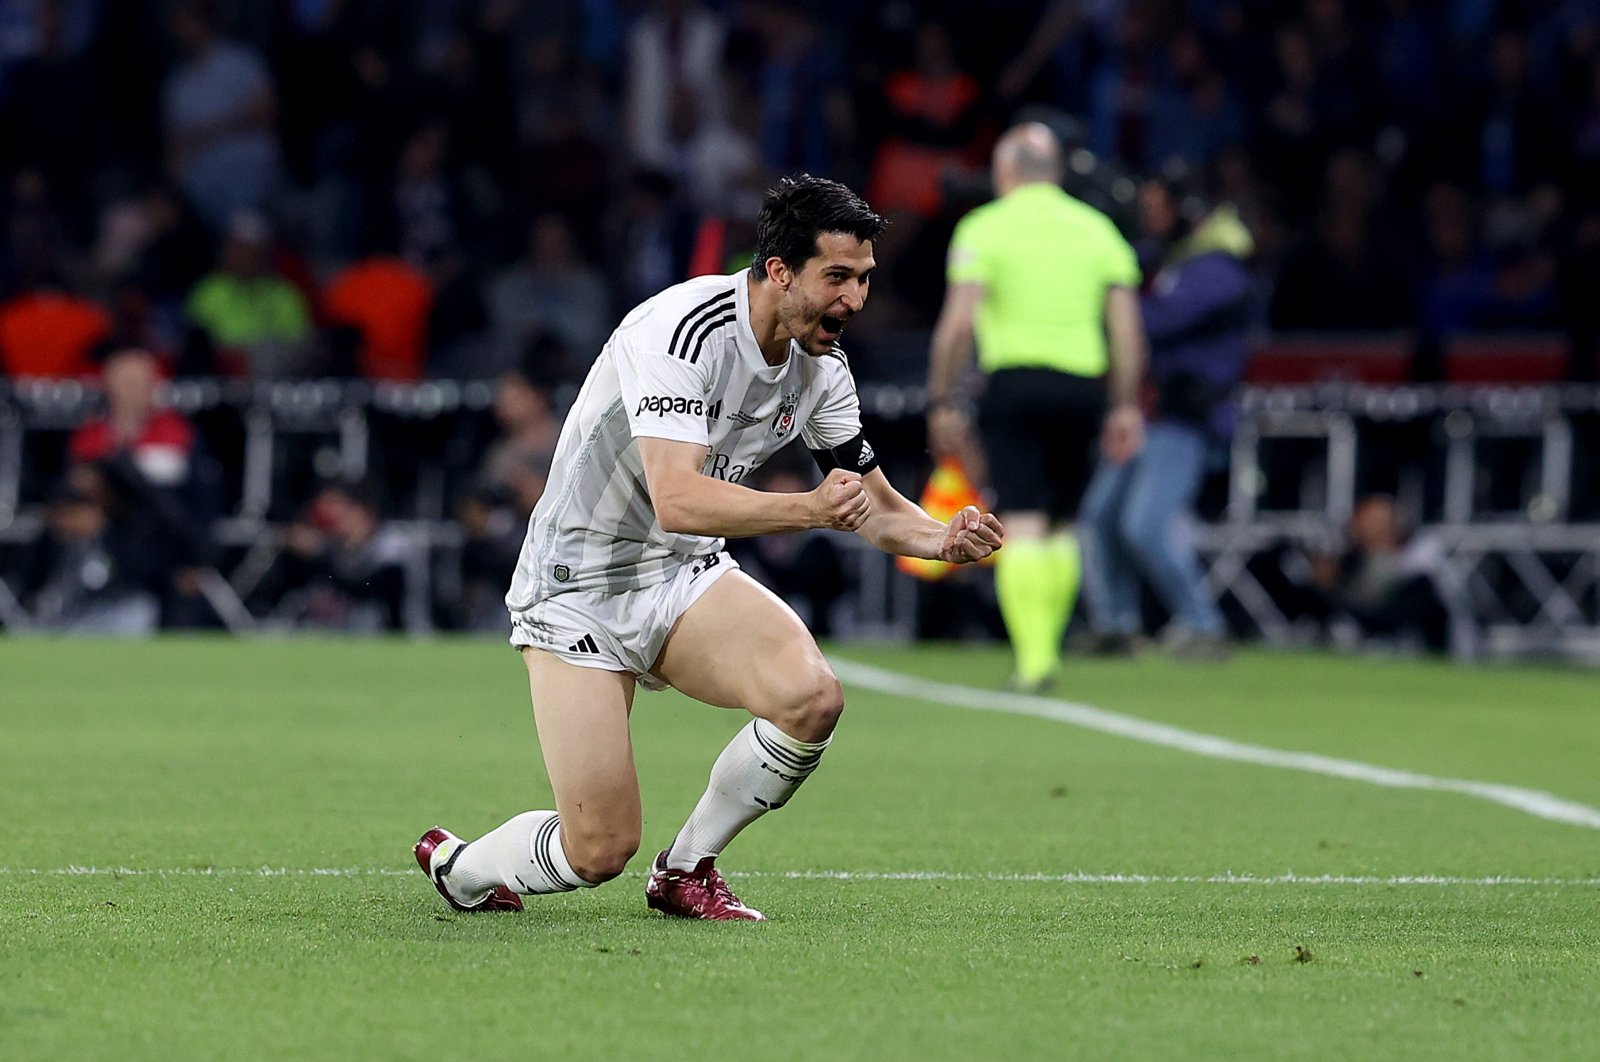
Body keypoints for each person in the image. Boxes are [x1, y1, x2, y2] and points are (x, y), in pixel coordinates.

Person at [414, 175, 1003, 921]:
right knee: (596, 851)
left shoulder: (822, 368)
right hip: (579, 587)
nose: (855, 300)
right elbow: (680, 499)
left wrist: (940, 539)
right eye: (838, 277)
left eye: (863, 279)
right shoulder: (680, 330)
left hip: (680, 573)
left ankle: (687, 868)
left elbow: (871, 503)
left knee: (811, 698)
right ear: (781, 270)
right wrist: (808, 509)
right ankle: (463, 866)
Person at [926, 122, 1145, 692]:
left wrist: (941, 398)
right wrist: (1124, 405)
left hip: (1015, 385)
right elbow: (1125, 327)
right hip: (1083, 388)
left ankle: (1036, 658)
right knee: (1064, 525)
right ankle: (1050, 648)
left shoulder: (985, 227)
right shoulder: (1098, 229)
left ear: (1006, 172)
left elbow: (957, 325)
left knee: (1019, 522)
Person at [1080, 169, 1254, 659]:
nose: (1149, 220)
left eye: (1159, 209)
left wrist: (1104, 305)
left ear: (1187, 209)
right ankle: (1116, 625)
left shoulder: (1218, 266)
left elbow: (1156, 321)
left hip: (1183, 417)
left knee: (1146, 524)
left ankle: (1204, 625)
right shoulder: (1163, 258)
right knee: (1099, 517)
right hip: (1142, 412)